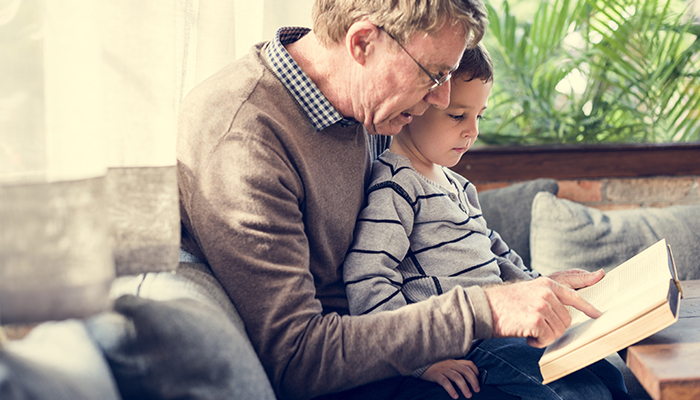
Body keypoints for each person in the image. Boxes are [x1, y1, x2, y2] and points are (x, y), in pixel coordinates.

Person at [175, 0, 613, 399]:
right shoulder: (244, 137)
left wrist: (530, 288)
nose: (441, 99)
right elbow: (298, 358)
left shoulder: (368, 105)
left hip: (403, 342)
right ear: (363, 42)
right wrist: (485, 308)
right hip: (355, 376)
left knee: (602, 370)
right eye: (433, 74)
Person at [342, 43, 631, 400]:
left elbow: (497, 253)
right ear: (415, 104)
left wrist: (539, 287)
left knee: (606, 372)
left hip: (503, 326)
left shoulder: (458, 184)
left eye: (479, 116)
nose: (472, 131)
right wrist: (421, 363)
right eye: (457, 115)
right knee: (574, 395)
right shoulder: (396, 185)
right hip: (466, 342)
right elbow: (367, 279)